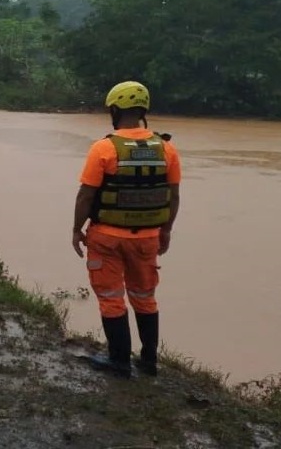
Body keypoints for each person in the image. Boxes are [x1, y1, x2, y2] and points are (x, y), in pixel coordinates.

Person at [71, 80, 181, 379]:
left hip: (106, 237)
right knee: (145, 296)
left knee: (110, 296)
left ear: (115, 109)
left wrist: (75, 229)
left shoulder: (104, 148)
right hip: (148, 238)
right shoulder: (167, 149)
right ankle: (148, 361)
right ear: (143, 110)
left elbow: (86, 194)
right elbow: (173, 195)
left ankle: (119, 360)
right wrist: (167, 230)